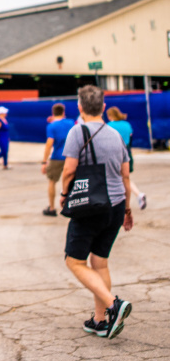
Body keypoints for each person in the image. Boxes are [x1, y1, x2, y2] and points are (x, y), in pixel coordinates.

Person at [61, 85, 133, 340]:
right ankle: (100, 320)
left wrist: (62, 195)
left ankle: (114, 304)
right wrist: (127, 209)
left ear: (80, 107)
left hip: (90, 207)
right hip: (115, 206)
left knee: (74, 261)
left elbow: (69, 170)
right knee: (99, 261)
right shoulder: (116, 135)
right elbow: (126, 175)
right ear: (103, 107)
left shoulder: (77, 132)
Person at [106, 107, 146, 210]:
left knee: (118, 179)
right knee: (125, 177)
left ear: (110, 116)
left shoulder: (109, 126)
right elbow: (130, 139)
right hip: (127, 153)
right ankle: (138, 195)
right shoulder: (127, 124)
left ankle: (125, 201)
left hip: (114, 154)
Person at [42, 103, 75, 216]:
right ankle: (72, 205)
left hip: (57, 156)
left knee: (52, 181)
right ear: (63, 112)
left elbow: (49, 144)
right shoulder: (71, 122)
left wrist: (44, 161)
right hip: (71, 156)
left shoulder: (51, 126)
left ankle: (51, 208)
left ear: (53, 112)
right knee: (71, 181)